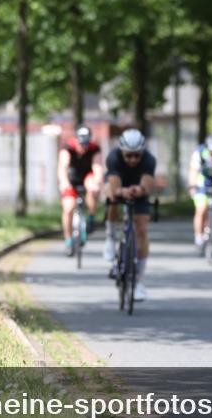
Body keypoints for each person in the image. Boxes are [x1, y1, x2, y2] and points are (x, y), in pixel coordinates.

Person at [103, 128, 156, 302]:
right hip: (118, 186)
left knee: (141, 229)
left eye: (137, 156)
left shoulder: (149, 160)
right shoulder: (113, 158)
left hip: (137, 189)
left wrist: (138, 190)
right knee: (111, 200)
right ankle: (110, 238)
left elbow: (147, 187)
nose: (133, 159)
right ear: (122, 153)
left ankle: (139, 281)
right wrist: (121, 192)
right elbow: (114, 187)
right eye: (128, 156)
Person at [57, 125, 103, 256]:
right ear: (76, 140)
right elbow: (62, 168)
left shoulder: (94, 148)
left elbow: (97, 167)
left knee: (93, 187)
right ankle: (68, 240)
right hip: (71, 178)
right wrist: (64, 183)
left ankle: (91, 218)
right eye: (81, 144)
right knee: (68, 208)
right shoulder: (67, 148)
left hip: (87, 176)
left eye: (86, 144)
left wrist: (98, 181)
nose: (83, 147)